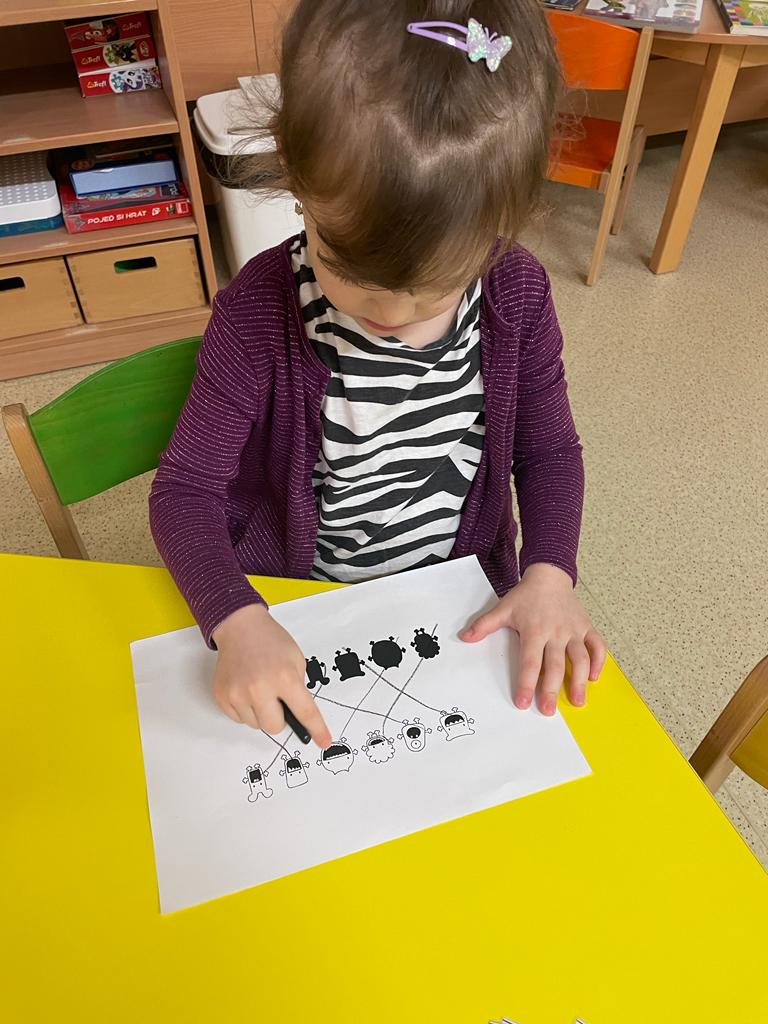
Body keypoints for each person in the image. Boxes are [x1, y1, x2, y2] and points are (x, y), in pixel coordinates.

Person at [149, 0, 606, 748]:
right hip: (298, 604)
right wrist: (236, 616)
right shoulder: (256, 314)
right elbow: (184, 493)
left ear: (505, 220)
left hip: (454, 601)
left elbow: (549, 452)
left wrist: (550, 573)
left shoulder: (517, 293)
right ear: (297, 180)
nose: (388, 312)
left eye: (434, 287)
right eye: (349, 269)